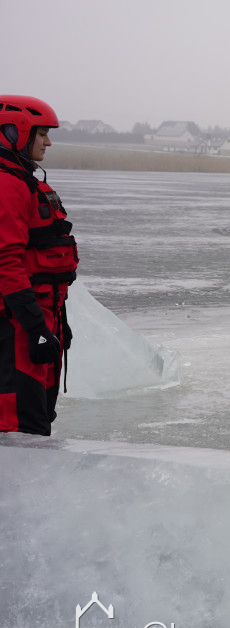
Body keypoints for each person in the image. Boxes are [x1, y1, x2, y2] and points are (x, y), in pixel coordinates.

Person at [0, 95, 77, 435]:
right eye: (41, 133)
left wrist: (58, 323)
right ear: (14, 133)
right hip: (16, 325)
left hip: (44, 315)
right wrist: (35, 327)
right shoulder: (7, 185)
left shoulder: (25, 182)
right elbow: (6, 263)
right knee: (20, 427)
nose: (48, 141)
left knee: (40, 421)